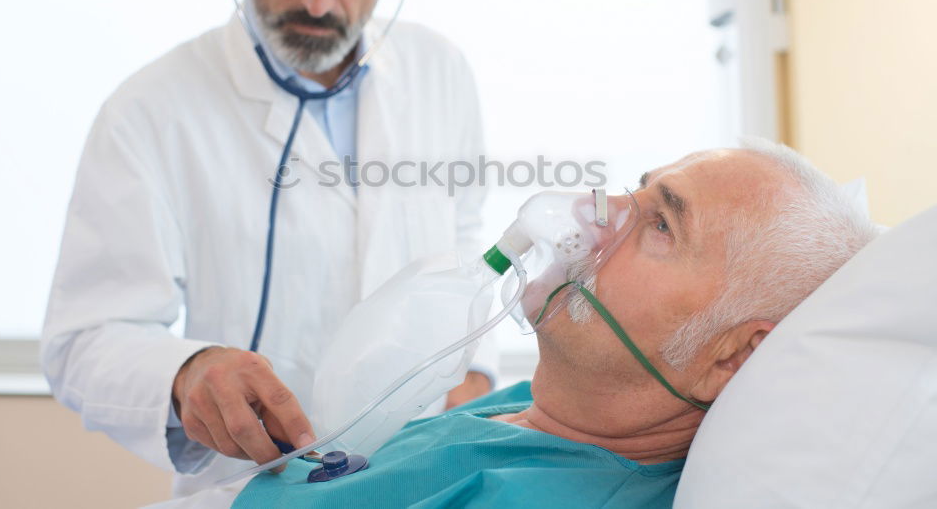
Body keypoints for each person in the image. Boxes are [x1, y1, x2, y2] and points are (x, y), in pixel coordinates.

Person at [40, 0, 494, 497]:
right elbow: (84, 339)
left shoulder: (439, 73)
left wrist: (473, 372)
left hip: (422, 483)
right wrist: (189, 371)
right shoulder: (149, 111)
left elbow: (467, 245)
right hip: (252, 489)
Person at [148, 140, 878, 508]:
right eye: (633, 190)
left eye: (660, 225)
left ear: (734, 359)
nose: (596, 213)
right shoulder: (542, 413)